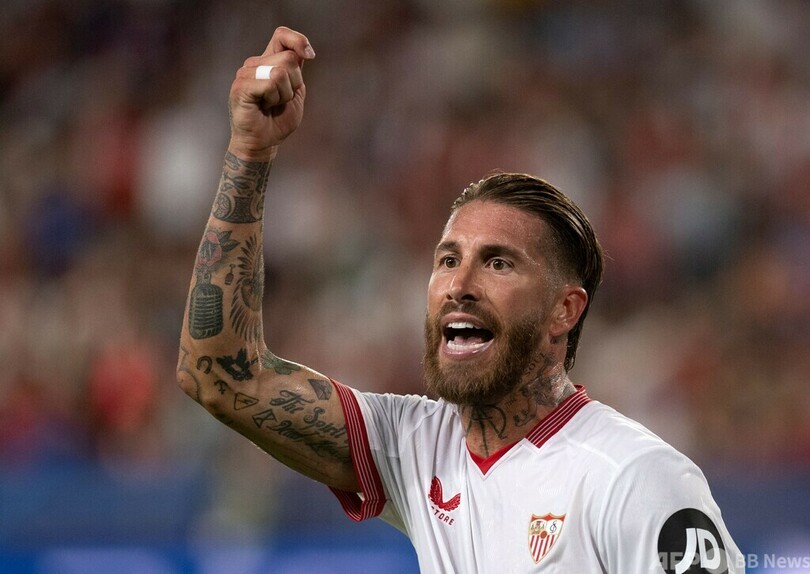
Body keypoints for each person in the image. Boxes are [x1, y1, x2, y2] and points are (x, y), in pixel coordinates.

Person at [177, 27, 743, 573]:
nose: (459, 284)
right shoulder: (413, 446)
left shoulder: (638, 480)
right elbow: (220, 376)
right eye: (448, 260)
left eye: (499, 263)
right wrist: (249, 150)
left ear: (564, 310)